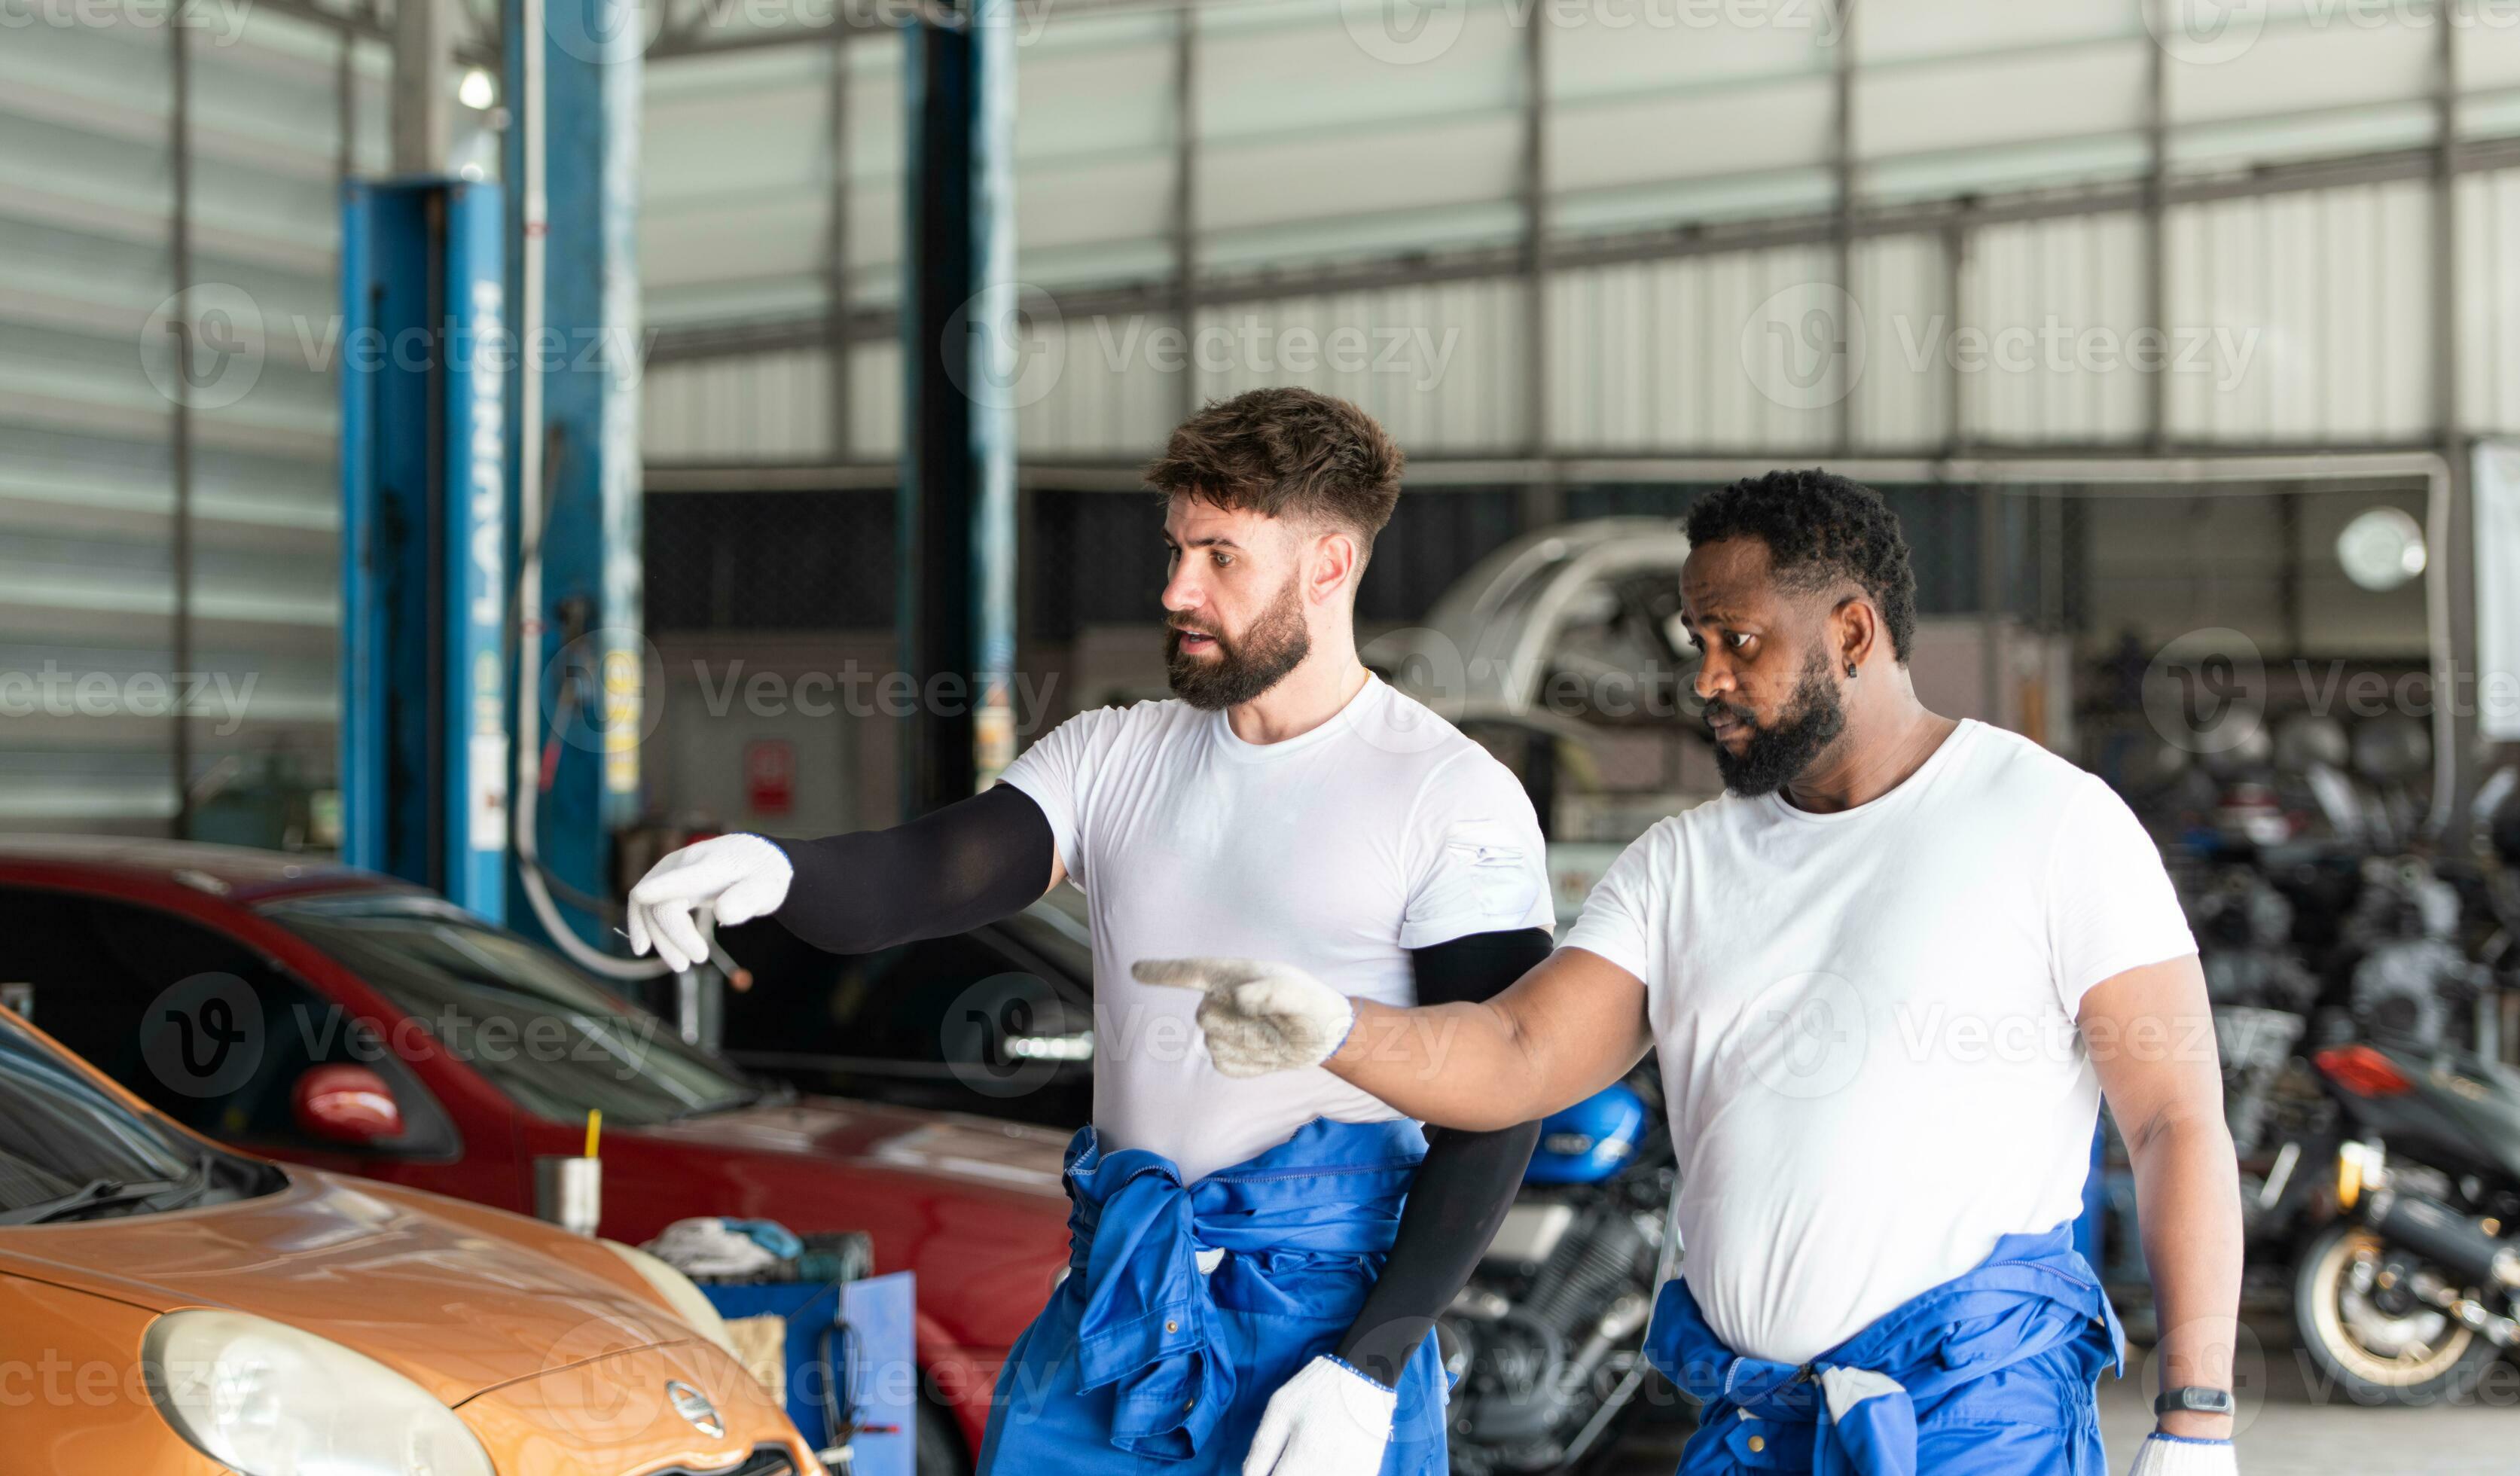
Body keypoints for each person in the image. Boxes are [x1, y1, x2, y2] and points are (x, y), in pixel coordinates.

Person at [1147, 469, 2245, 1476]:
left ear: (1851, 631)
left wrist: (2194, 1417)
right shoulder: (1682, 863)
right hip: (1751, 1422)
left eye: (1737, 641)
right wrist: (1330, 1027)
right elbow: (1516, 1054)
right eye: (1696, 641)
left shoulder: (2050, 824)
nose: (1706, 678)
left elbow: (2173, 1123)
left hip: (1967, 1420)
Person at [624, 387, 1557, 1476]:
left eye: (1219, 556)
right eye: (1174, 550)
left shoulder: (1448, 795)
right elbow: (929, 873)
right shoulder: (1115, 754)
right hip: (1117, 1304)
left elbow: (1496, 1100)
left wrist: (1372, 1363)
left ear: (1328, 565)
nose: (1176, 590)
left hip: (1321, 1325)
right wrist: (777, 867)